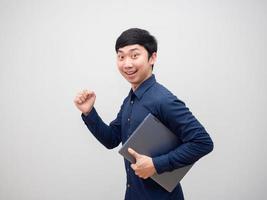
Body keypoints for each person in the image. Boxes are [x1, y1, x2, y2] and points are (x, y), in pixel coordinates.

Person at [74, 28, 213, 200]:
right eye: (121, 56)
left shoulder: (163, 99)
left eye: (134, 55)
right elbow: (111, 139)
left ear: (152, 57)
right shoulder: (130, 99)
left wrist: (156, 164)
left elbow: (203, 142)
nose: (127, 64)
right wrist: (89, 113)